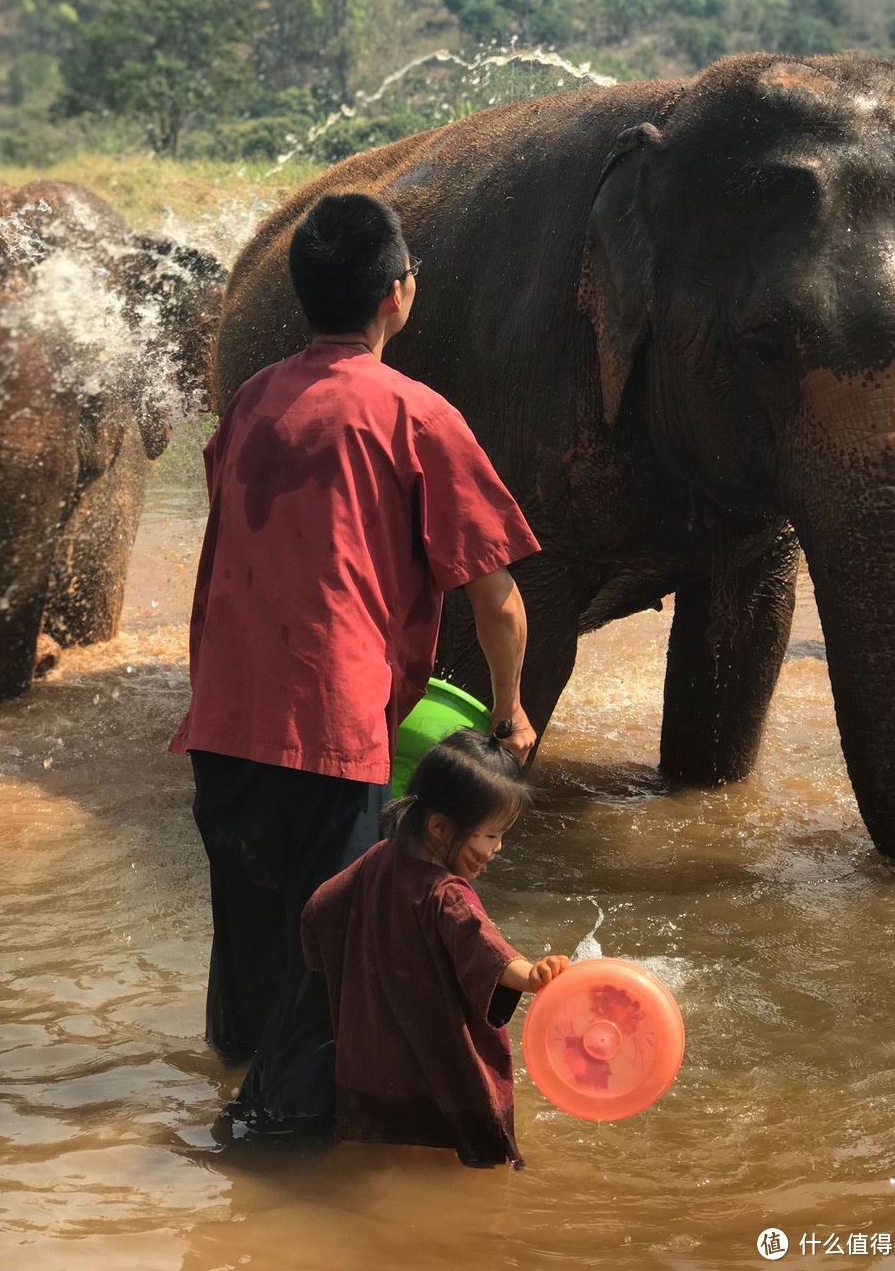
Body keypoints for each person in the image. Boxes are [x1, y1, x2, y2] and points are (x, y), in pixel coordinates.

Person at [169, 192, 541, 1135]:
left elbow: (229, 552)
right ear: (399, 293)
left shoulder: (254, 397)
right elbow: (496, 598)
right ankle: (272, 1159)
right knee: (330, 958)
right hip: (330, 733)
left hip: (222, 720)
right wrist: (510, 712)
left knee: (249, 940)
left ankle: (228, 1092)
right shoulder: (416, 413)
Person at [301, 728, 573, 1169]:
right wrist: (532, 975)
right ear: (440, 826)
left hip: (369, 1062)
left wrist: (326, 970)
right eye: (489, 836)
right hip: (431, 1067)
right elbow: (486, 951)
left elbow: (317, 911)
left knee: (381, 1166)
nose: (497, 849)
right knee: (452, 1166)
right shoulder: (448, 894)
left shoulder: (378, 858)